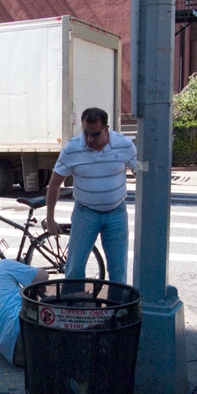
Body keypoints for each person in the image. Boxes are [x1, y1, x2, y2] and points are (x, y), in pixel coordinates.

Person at [46, 107, 137, 284]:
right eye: (86, 133)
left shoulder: (124, 145)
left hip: (116, 212)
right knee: (74, 268)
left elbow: (140, 173)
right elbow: (54, 183)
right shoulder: (72, 149)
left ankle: (117, 309)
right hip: (85, 213)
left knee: (118, 271)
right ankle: (73, 307)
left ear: (106, 129)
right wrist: (50, 218)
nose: (89, 139)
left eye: (95, 134)